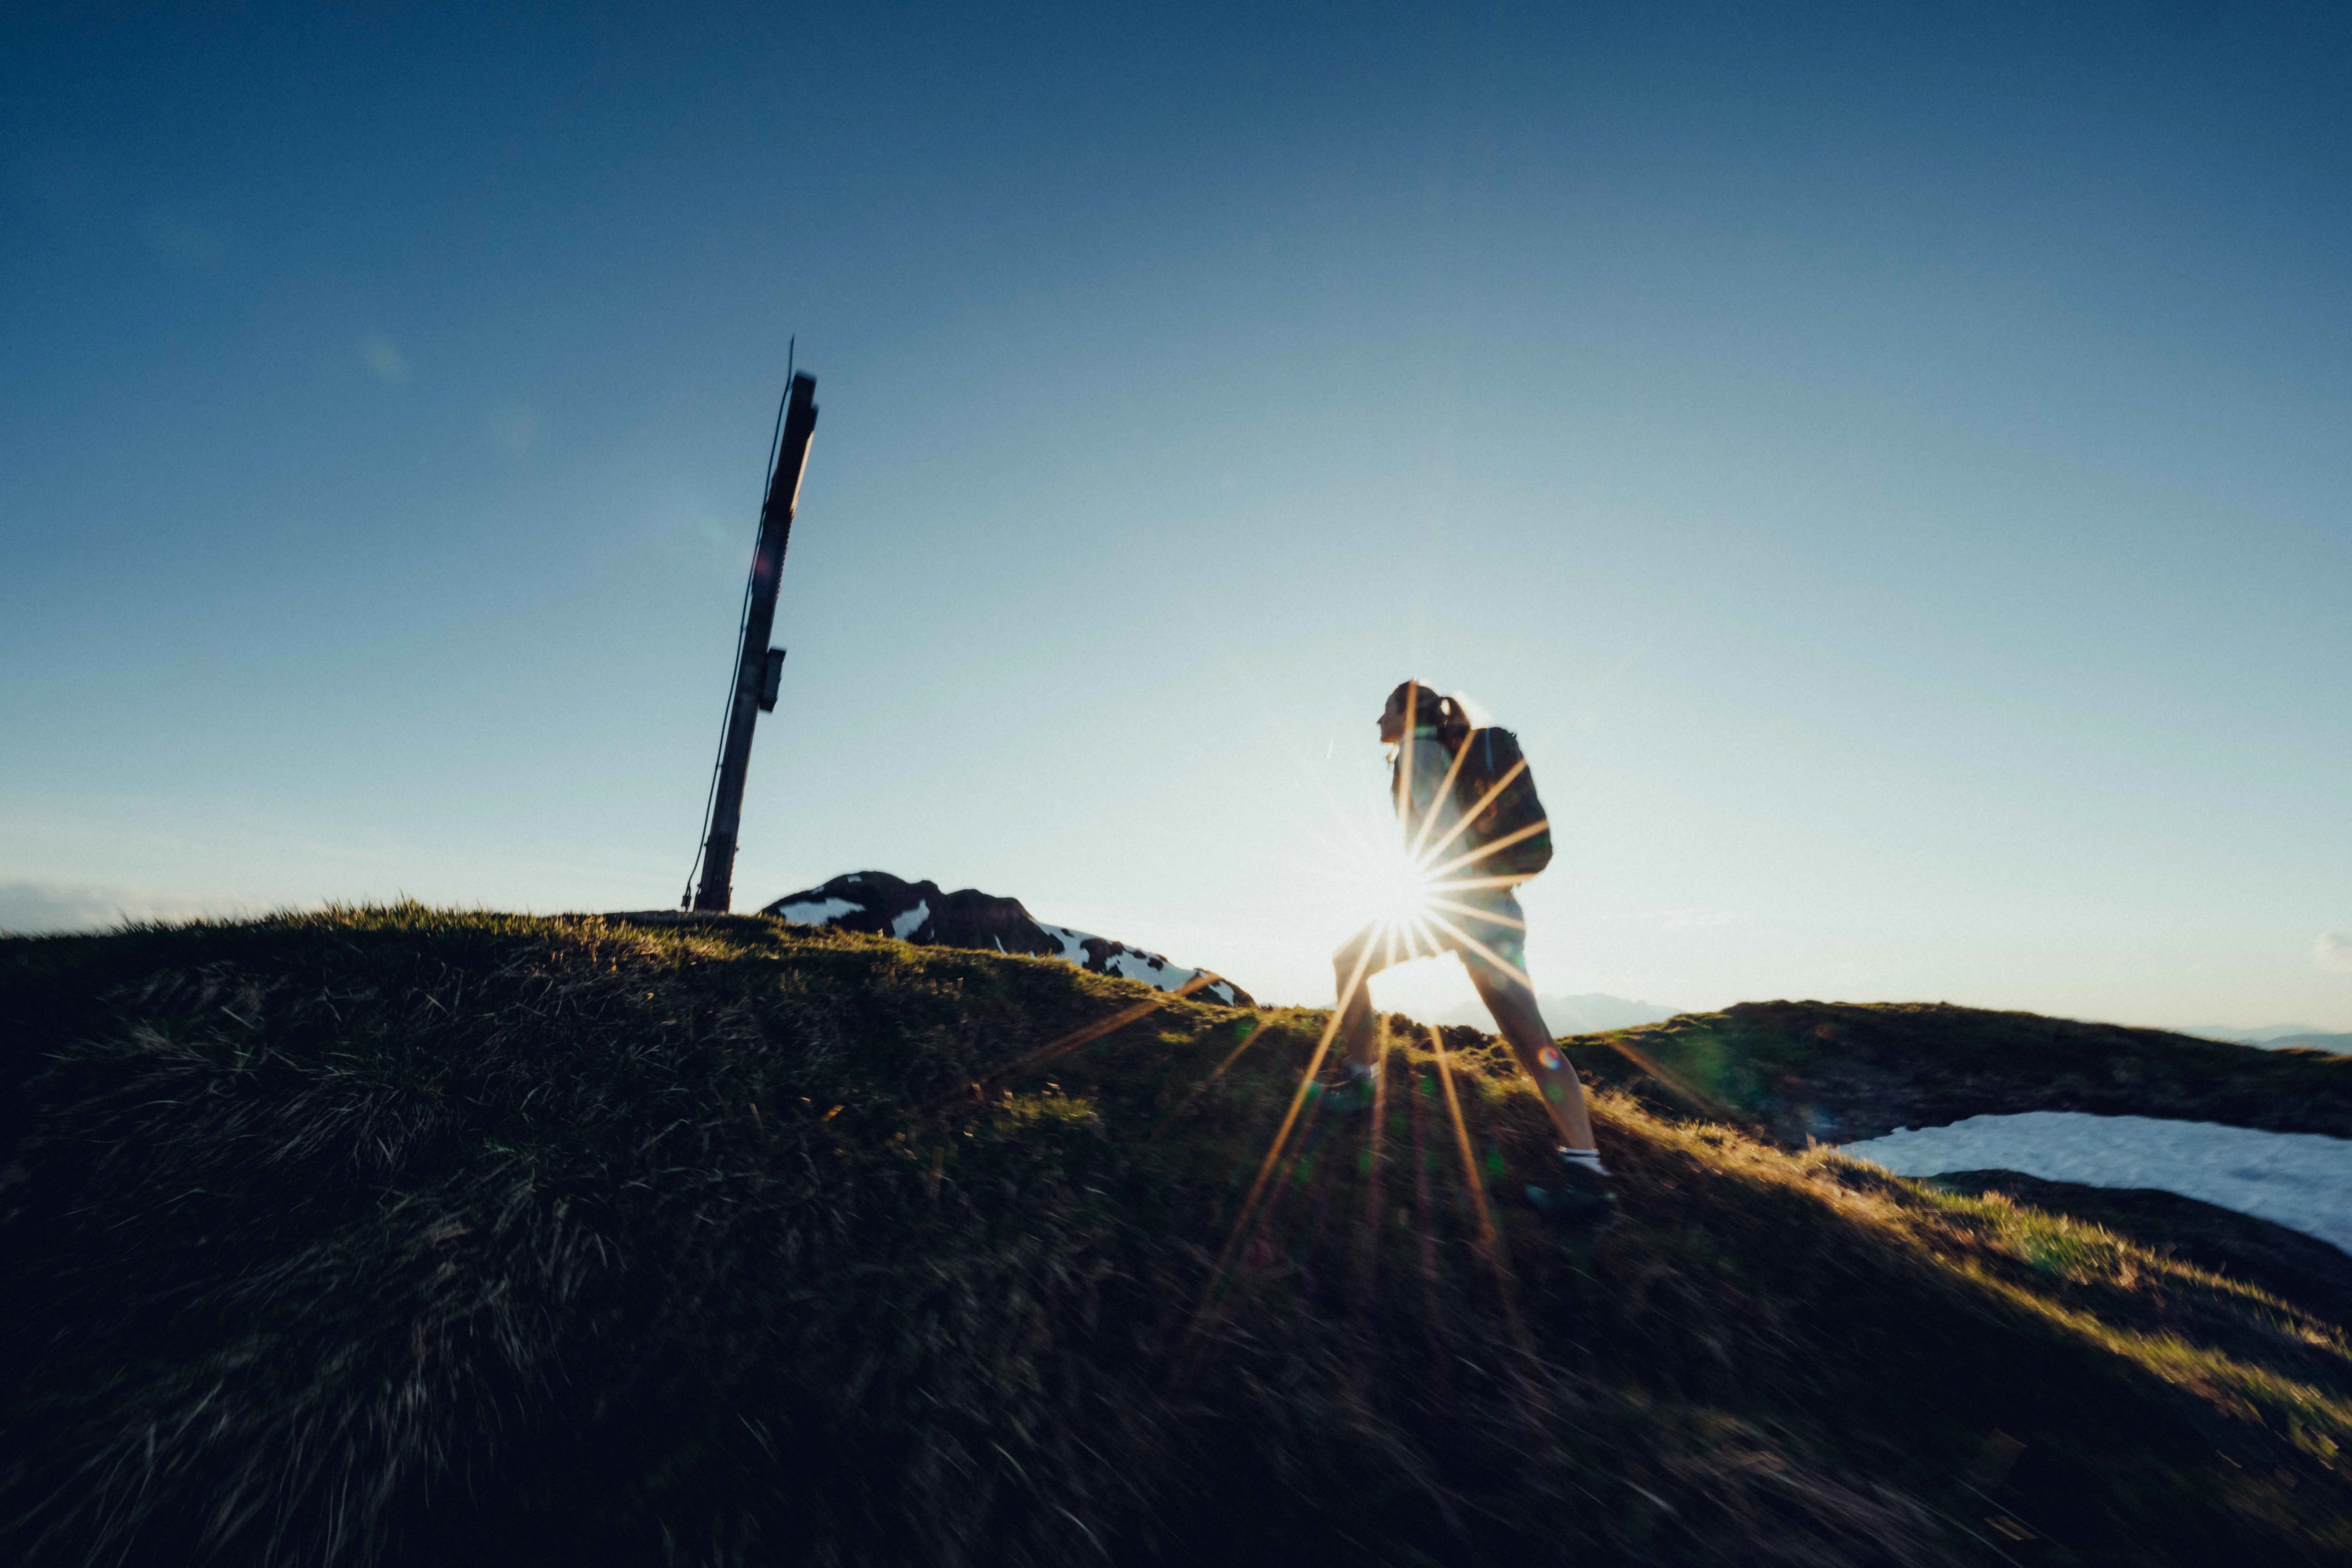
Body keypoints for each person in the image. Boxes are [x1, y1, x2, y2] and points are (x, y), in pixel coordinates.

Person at [1326, 680, 1616, 1226]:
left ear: (1404, 714)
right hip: (1494, 909)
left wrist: (1444, 904)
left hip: (1461, 910)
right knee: (1535, 1045)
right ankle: (1590, 1179)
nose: (1376, 720)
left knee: (1349, 962)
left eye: (1383, 709)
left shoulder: (1416, 753)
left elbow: (1441, 836)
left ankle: (1360, 1081)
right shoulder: (1447, 750)